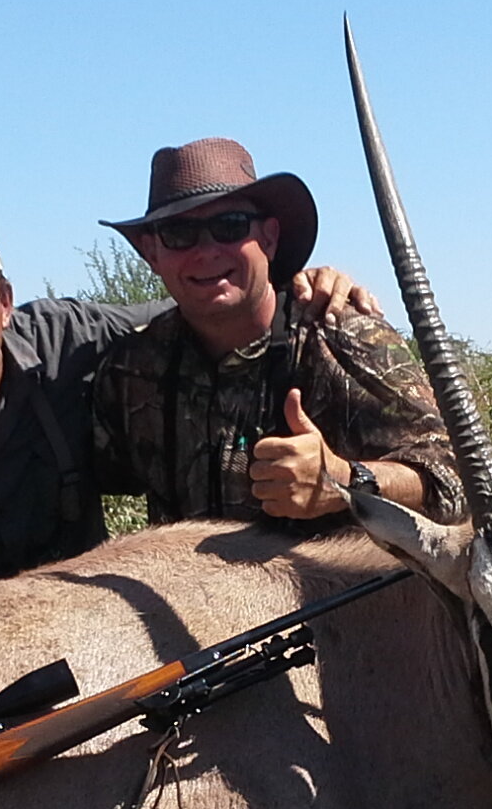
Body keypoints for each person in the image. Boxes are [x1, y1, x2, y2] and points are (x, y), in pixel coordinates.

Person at [0, 212, 383, 596]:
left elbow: (204, 303)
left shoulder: (69, 337)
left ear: (5, 302)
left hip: (81, 625)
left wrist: (300, 285)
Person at [91, 138, 461, 525]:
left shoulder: (341, 337)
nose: (206, 251)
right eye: (179, 233)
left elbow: (456, 483)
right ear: (152, 254)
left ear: (268, 238)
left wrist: (346, 480)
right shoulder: (130, 370)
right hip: (182, 583)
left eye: (229, 226)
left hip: (333, 583)